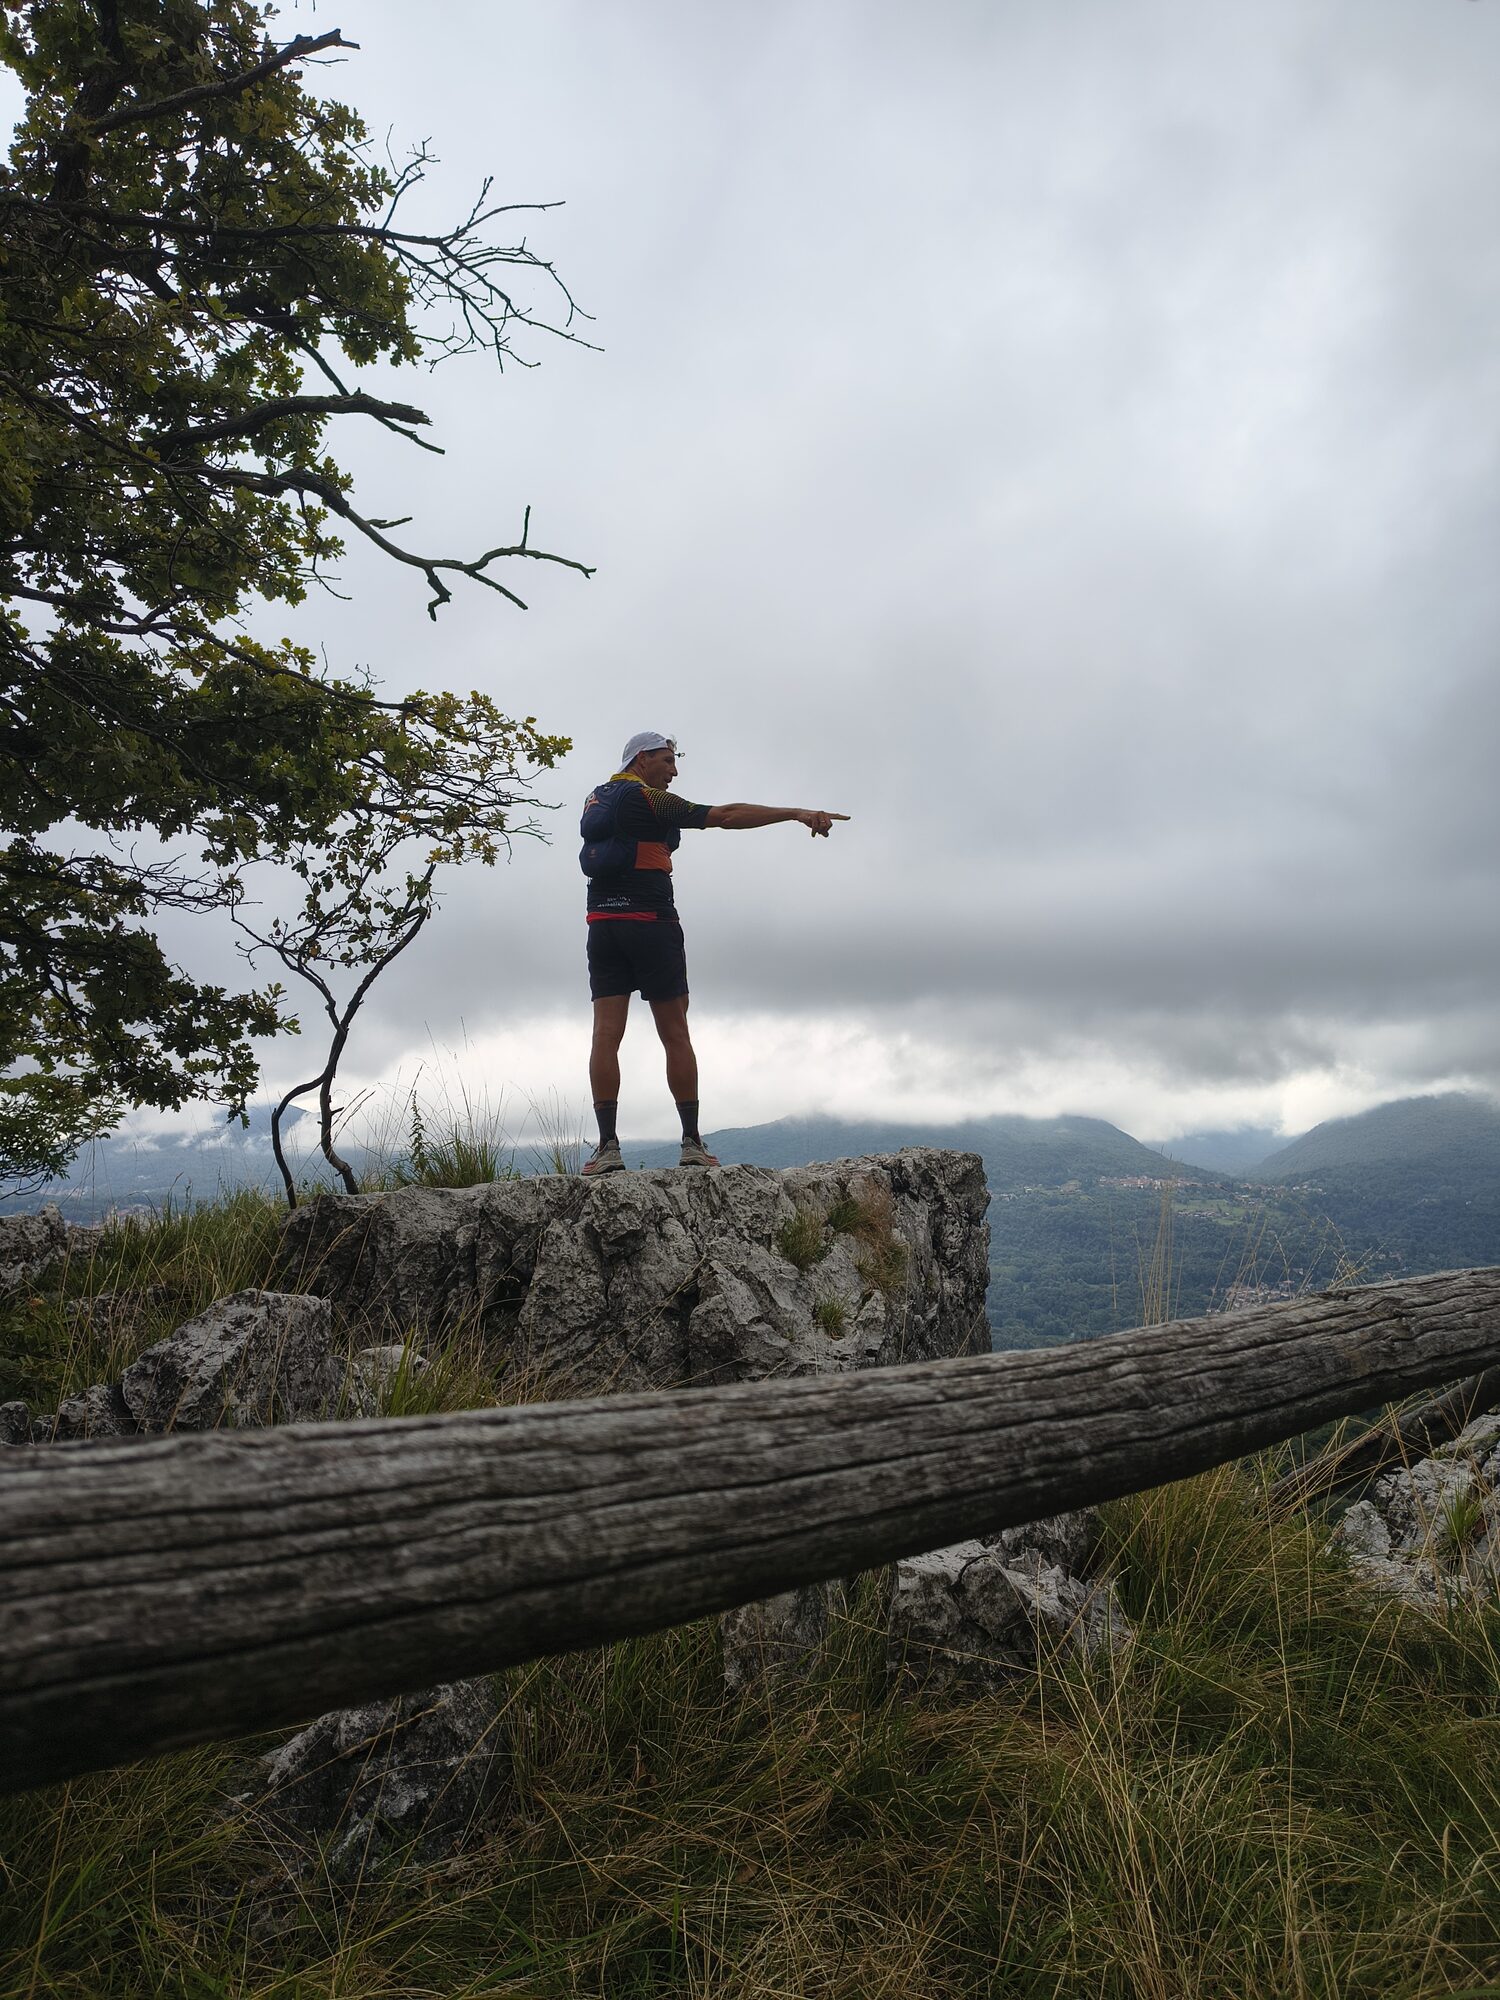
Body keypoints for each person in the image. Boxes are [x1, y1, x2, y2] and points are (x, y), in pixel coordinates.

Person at [580, 731, 848, 1174]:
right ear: (642, 759)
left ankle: (607, 1148)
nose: (674, 771)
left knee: (605, 1035)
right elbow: (724, 815)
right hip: (651, 923)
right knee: (675, 1032)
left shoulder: (596, 800)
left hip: (602, 924)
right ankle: (692, 1144)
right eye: (667, 760)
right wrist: (796, 813)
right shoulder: (647, 799)